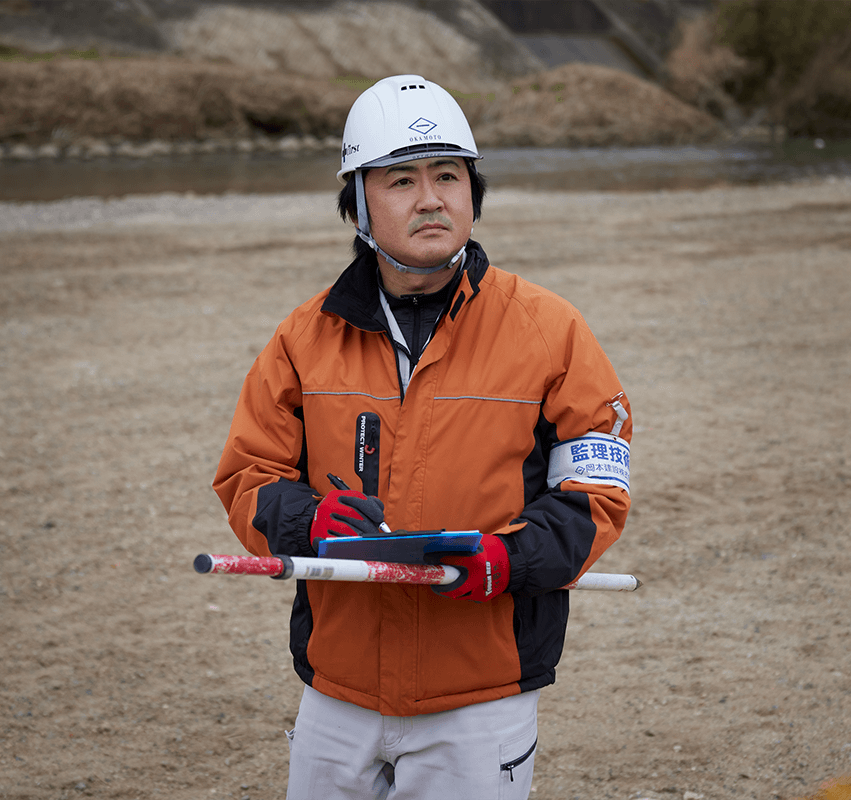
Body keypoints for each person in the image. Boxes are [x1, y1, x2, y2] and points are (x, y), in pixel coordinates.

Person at [212, 74, 632, 800]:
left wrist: (512, 557)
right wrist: (308, 520)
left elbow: (597, 490)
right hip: (337, 691)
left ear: (473, 192)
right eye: (401, 180)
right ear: (358, 205)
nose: (431, 198)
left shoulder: (550, 330)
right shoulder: (304, 338)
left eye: (448, 176)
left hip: (481, 697)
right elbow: (248, 476)